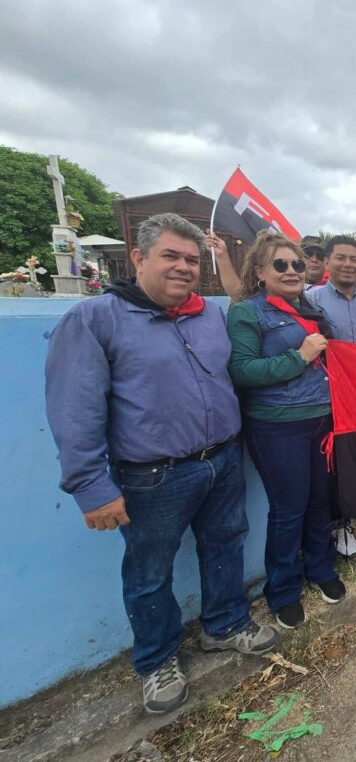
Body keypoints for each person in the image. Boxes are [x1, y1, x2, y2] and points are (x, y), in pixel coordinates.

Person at [45, 213, 280, 715]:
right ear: (138, 258)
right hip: (153, 476)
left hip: (222, 459)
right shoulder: (95, 320)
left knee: (226, 545)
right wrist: (91, 486)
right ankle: (157, 660)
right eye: (170, 256)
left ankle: (225, 625)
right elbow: (75, 409)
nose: (183, 267)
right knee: (150, 571)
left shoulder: (210, 315)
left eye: (192, 260)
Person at [227, 231, 345, 631]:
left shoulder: (310, 309)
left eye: (296, 264)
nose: (292, 270)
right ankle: (282, 590)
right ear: (260, 271)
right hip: (277, 427)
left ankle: (320, 568)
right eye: (281, 264)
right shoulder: (247, 313)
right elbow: (242, 371)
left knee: (320, 501)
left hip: (322, 421)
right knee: (289, 508)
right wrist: (300, 356)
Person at [308, 235, 356, 554]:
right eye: (340, 258)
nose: (348, 264)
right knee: (336, 462)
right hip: (328, 396)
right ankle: (340, 523)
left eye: (354, 259)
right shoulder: (311, 300)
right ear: (327, 262)